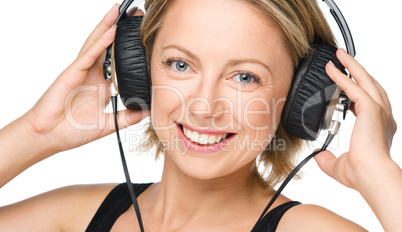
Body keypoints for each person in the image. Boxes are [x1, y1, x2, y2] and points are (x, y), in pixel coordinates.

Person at [0, 0, 400, 231]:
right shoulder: (77, 217)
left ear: (302, 96)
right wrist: (37, 132)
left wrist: (378, 172)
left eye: (245, 76)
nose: (204, 106)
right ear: (137, 68)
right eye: (179, 65)